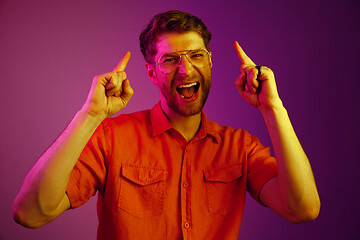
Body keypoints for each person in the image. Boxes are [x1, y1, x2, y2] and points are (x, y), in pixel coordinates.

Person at [12, 10, 320, 240]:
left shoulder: (241, 147)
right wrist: (91, 115)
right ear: (151, 72)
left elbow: (302, 208)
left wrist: (272, 107)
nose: (186, 70)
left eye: (196, 56)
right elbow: (30, 213)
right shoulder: (111, 137)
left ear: (210, 62)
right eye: (171, 60)